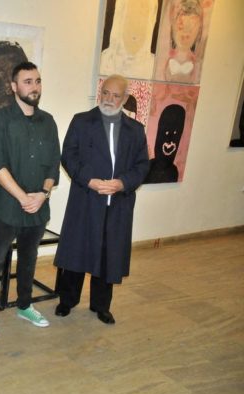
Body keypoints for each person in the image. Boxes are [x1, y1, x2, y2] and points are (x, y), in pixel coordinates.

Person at [53, 74, 149, 325]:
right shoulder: (82, 121)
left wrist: (122, 183)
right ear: (100, 92)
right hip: (86, 198)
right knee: (76, 252)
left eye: (116, 95)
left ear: (125, 99)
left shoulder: (136, 130)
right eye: (105, 92)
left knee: (109, 256)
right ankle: (67, 300)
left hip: (118, 203)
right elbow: (68, 156)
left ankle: (101, 306)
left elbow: (142, 165)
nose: (109, 99)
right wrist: (90, 180)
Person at [0, 61, 60, 338]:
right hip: (6, 208)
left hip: (38, 206)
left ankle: (25, 305)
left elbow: (53, 165)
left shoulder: (48, 121)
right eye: (27, 82)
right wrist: (24, 197)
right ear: (14, 86)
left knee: (29, 259)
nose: (34, 87)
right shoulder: (0, 120)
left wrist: (43, 194)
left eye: (37, 81)